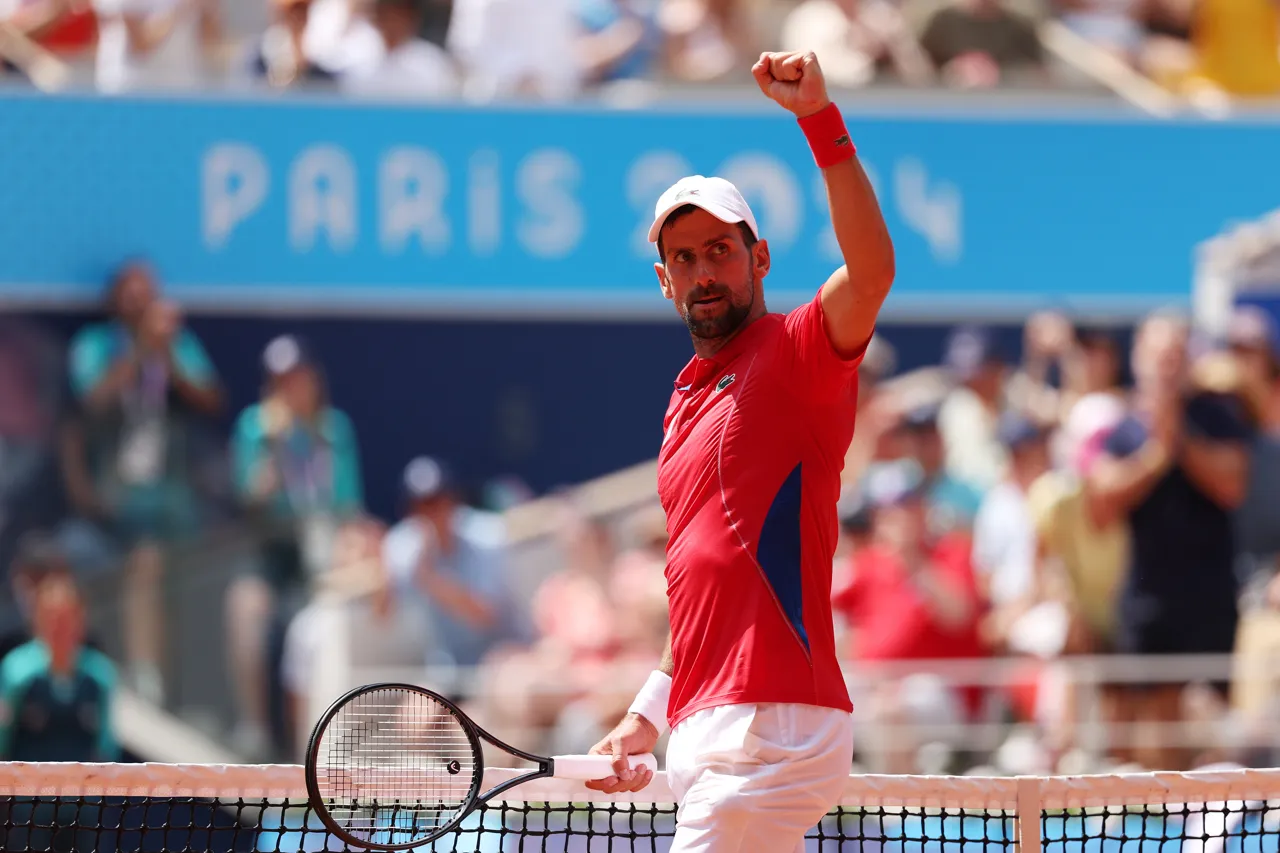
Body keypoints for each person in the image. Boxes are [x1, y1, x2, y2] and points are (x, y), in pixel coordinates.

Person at [585, 50, 896, 853]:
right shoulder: (680, 405)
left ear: (759, 258)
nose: (703, 271)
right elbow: (698, 590)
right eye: (684, 258)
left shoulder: (798, 351)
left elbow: (872, 272)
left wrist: (818, 120)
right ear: (664, 280)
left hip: (772, 727)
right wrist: (646, 713)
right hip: (709, 731)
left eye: (720, 249)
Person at [1088, 312, 1251, 769]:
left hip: (1210, 604)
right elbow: (1101, 503)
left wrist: (1178, 438)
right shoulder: (1122, 428)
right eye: (1158, 356)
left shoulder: (1217, 416)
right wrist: (1155, 456)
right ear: (1138, 360)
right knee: (1154, 735)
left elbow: (1232, 484)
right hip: (1147, 607)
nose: (1166, 366)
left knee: (1212, 730)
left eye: (1175, 355)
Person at [64, 259, 223, 704]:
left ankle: (188, 690)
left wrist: (166, 353)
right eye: (129, 294)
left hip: (169, 497)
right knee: (140, 566)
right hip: (113, 498)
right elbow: (90, 402)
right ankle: (141, 677)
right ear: (114, 301)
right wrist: (136, 352)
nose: (139, 303)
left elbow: (210, 399)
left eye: (146, 293)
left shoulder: (176, 344)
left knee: (193, 578)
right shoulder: (96, 344)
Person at [225, 334, 364, 759]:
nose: (291, 389)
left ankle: (324, 738)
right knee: (247, 608)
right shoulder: (254, 428)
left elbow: (348, 504)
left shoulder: (334, 429)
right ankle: (254, 727)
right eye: (281, 381)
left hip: (323, 549)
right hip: (273, 546)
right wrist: (272, 448)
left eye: (298, 378)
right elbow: (247, 499)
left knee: (324, 626)